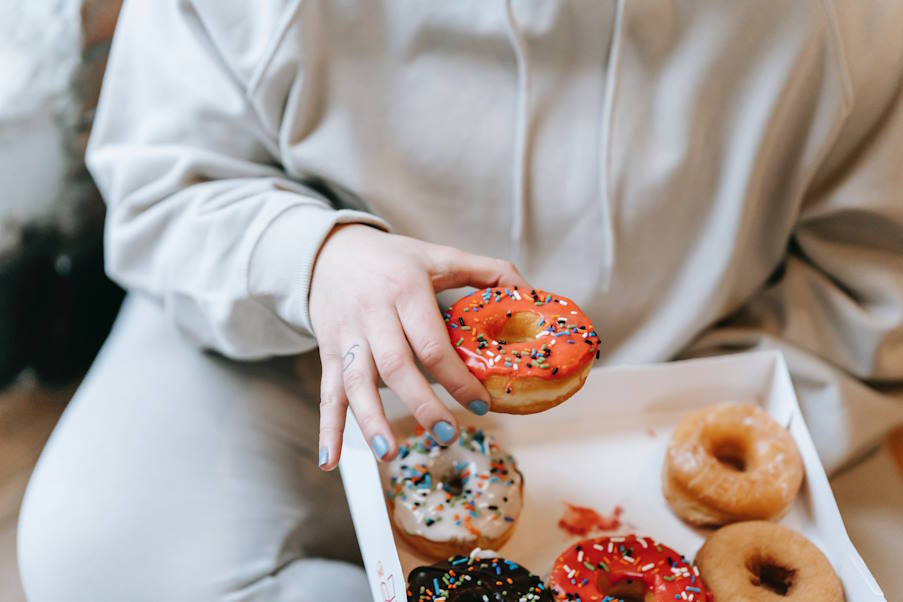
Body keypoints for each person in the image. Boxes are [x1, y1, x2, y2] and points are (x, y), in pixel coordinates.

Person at [17, 1, 903, 600]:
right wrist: (316, 256)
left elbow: (871, 280)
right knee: (97, 544)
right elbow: (168, 183)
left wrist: (687, 420)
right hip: (294, 350)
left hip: (691, 367)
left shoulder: (838, 26)